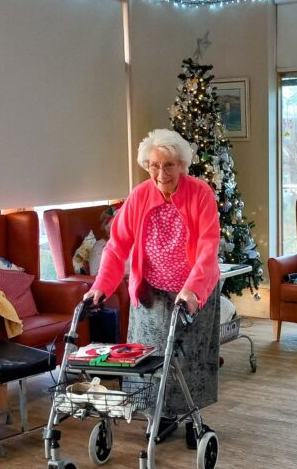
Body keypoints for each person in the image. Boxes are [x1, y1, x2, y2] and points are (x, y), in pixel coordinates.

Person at [84, 128, 221, 447]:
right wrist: (101, 286)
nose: (161, 173)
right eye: (154, 165)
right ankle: (158, 414)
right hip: (151, 290)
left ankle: (191, 416)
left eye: (169, 165)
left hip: (192, 292)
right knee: (149, 356)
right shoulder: (139, 196)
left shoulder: (200, 193)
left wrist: (192, 291)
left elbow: (207, 246)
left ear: (182, 165)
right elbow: (117, 247)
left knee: (189, 356)